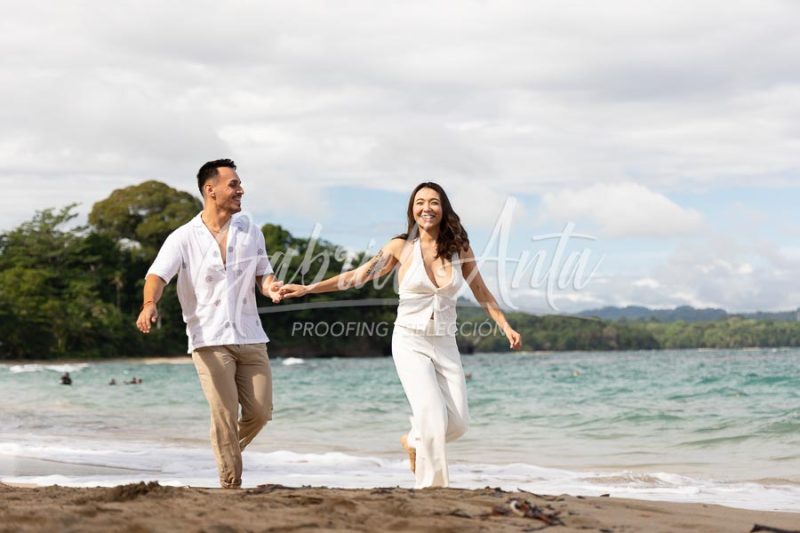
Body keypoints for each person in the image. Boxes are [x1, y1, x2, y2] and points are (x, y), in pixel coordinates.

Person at [280, 182, 522, 488]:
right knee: (433, 417)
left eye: (434, 202)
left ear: (443, 208)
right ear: (412, 210)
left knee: (458, 424)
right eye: (419, 202)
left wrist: (505, 325)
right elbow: (358, 276)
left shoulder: (459, 249)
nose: (426, 208)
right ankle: (432, 490)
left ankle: (412, 440)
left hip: (445, 343)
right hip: (410, 341)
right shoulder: (401, 248)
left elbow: (480, 290)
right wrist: (308, 288)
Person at [135, 158, 283, 489]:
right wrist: (149, 305)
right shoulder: (183, 237)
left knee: (261, 412)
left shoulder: (251, 231)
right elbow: (157, 276)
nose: (240, 189)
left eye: (240, 184)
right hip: (209, 339)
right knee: (224, 414)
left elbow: (264, 274)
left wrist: (272, 288)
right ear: (210, 189)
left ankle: (223, 443)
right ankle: (230, 483)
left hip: (251, 335)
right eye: (233, 184)